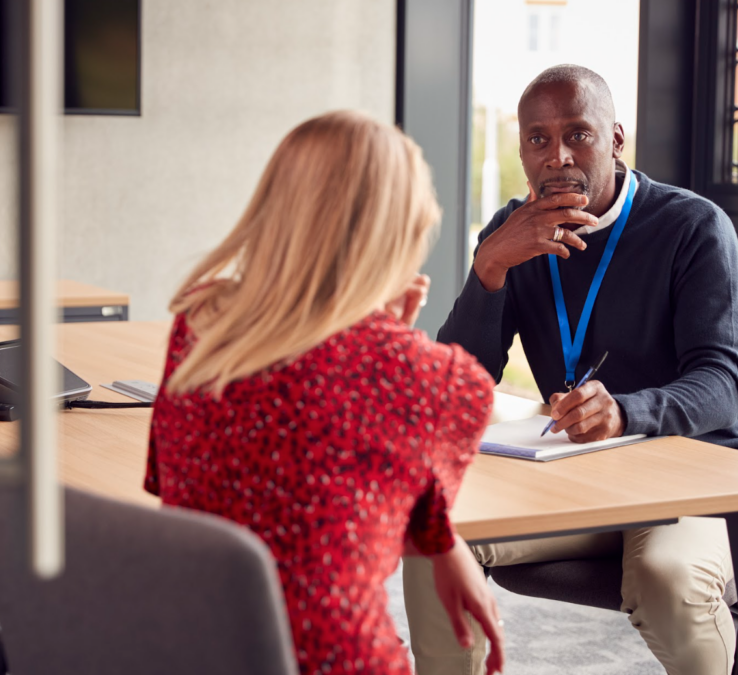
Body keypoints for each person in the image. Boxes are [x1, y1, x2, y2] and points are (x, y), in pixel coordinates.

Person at [403, 65, 738, 675]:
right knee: (432, 535)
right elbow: (455, 384)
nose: (557, 156)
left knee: (665, 575)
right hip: (577, 476)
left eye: (578, 134)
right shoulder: (514, 232)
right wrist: (489, 267)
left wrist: (629, 411)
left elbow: (724, 383)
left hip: (695, 474)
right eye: (538, 139)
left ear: (616, 140)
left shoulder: (693, 227)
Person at [143, 110, 505, 675]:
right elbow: (396, 531)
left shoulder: (201, 320)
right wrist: (397, 343)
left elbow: (172, 485)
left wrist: (386, 338)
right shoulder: (446, 382)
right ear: (403, 235)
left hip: (189, 650)